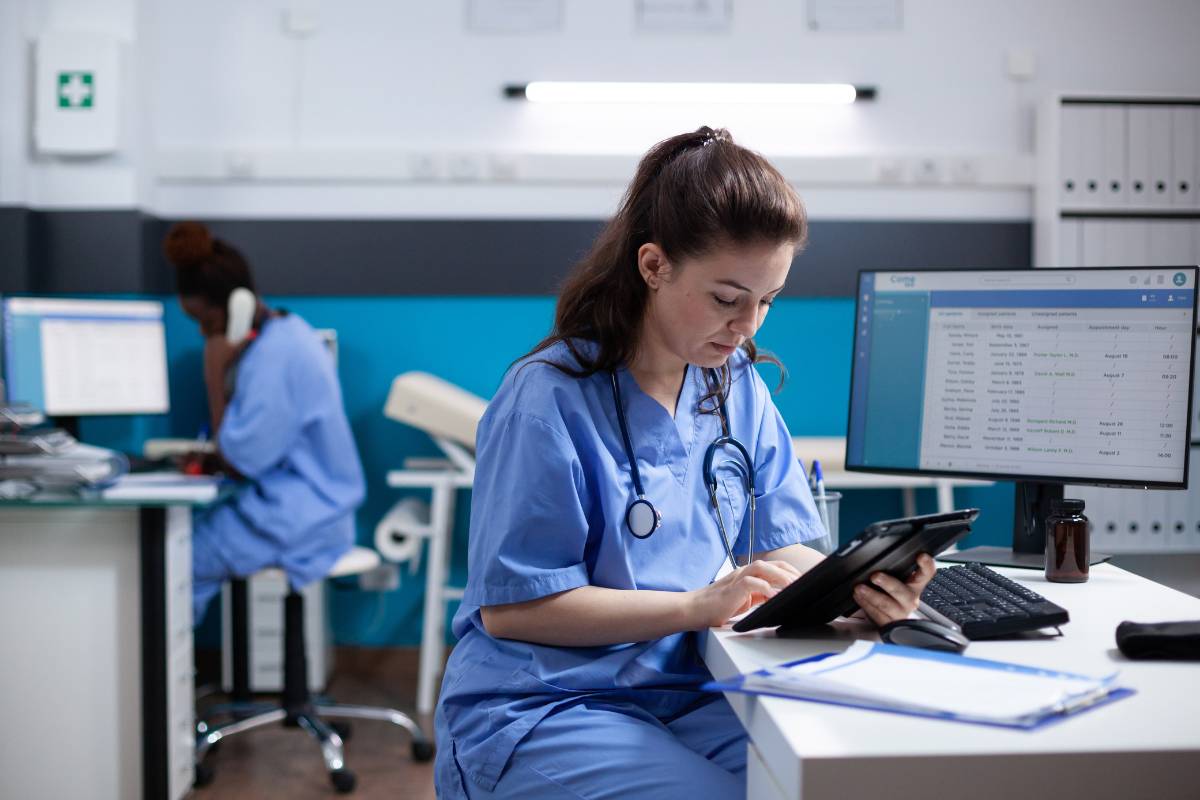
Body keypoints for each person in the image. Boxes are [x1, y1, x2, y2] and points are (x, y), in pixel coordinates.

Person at [434, 126, 937, 799]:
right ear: (653, 266)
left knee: (836, 778)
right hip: (546, 703)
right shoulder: (547, 398)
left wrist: (862, 590)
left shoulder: (735, 388)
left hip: (686, 688)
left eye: (766, 302)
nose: (747, 327)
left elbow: (781, 548)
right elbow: (515, 612)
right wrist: (696, 604)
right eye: (728, 299)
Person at [163, 221, 366, 622]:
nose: (205, 335)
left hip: (306, 517)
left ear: (237, 306)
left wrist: (214, 376)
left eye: (207, 322)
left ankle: (157, 681)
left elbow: (241, 461)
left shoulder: (275, 357)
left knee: (172, 562)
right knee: (181, 543)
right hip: (303, 507)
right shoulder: (285, 335)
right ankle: (174, 677)